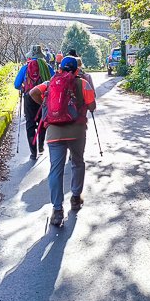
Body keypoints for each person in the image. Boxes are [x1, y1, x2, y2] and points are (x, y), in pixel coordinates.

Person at [29, 56, 96, 227]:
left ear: (59, 68)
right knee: (78, 163)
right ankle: (75, 198)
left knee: (55, 170)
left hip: (54, 132)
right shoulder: (82, 83)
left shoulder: (51, 82)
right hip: (77, 132)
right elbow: (92, 105)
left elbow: (32, 92)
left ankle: (57, 210)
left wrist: (46, 104)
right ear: (76, 69)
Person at [14, 46, 51, 158]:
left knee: (30, 124)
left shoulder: (25, 67)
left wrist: (24, 89)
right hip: (42, 96)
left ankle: (33, 152)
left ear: (30, 55)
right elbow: (53, 81)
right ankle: (41, 146)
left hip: (29, 97)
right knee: (42, 121)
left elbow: (16, 85)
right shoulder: (47, 67)